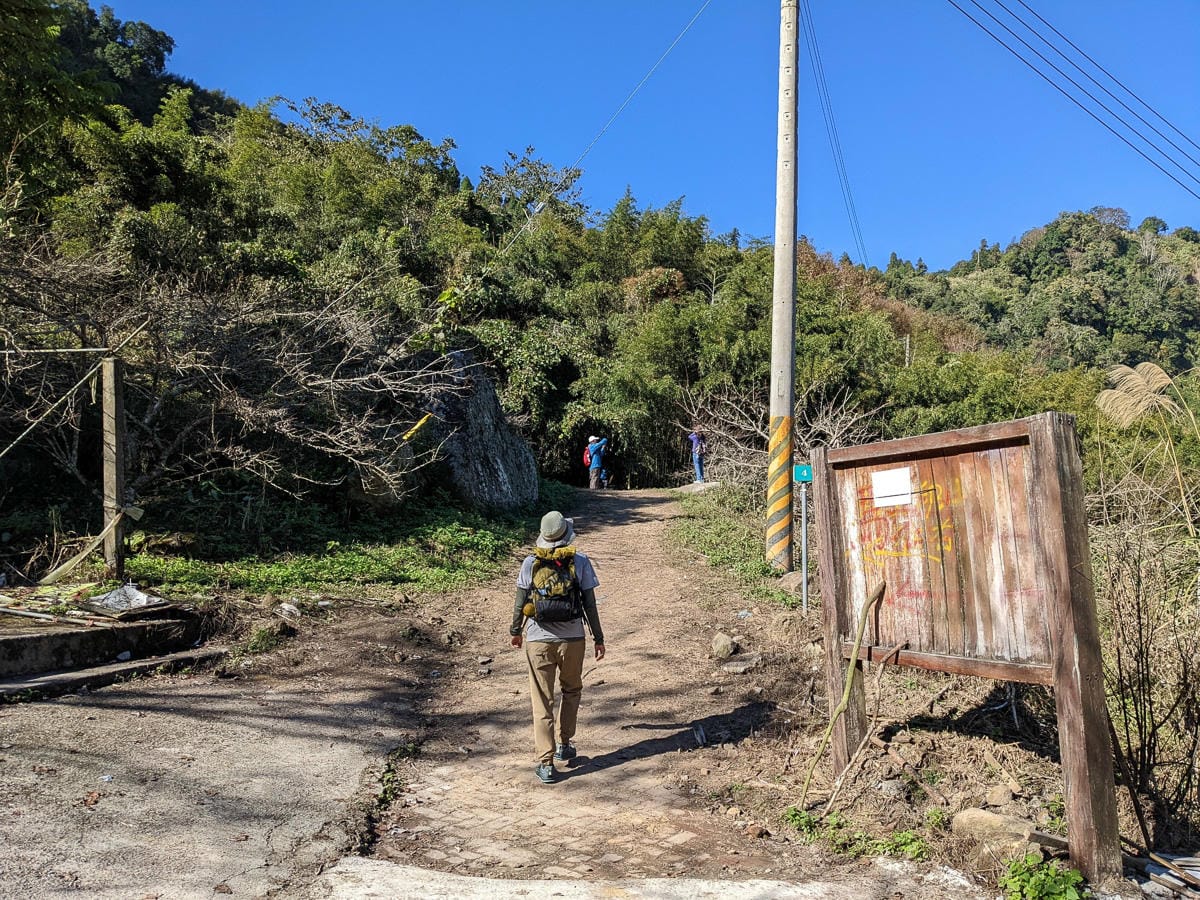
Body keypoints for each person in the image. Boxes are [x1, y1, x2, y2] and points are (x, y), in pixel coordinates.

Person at [509, 511, 606, 784]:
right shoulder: (581, 561)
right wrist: (599, 638)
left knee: (542, 700)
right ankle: (565, 743)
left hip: (538, 640)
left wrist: (516, 631)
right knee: (572, 690)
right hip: (573, 640)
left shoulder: (530, 563)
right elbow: (590, 605)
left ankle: (546, 763)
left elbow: (519, 604)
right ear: (566, 535)